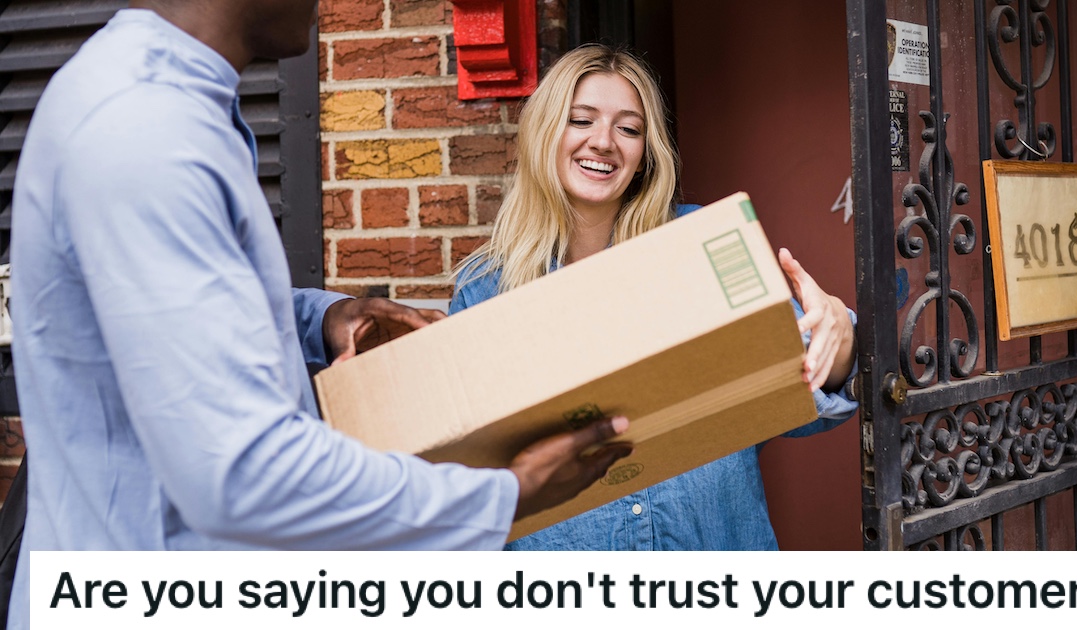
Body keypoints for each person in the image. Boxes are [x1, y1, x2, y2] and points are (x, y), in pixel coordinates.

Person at [6, 2, 633, 627]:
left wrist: (325, 318)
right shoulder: (143, 135)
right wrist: (503, 495)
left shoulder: (174, 108)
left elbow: (190, 304)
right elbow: (242, 473)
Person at [451, 44, 859, 550]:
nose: (603, 143)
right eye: (581, 120)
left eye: (628, 129)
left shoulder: (704, 243)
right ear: (544, 133)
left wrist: (838, 336)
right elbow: (472, 484)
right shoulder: (484, 291)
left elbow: (804, 389)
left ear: (646, 152)